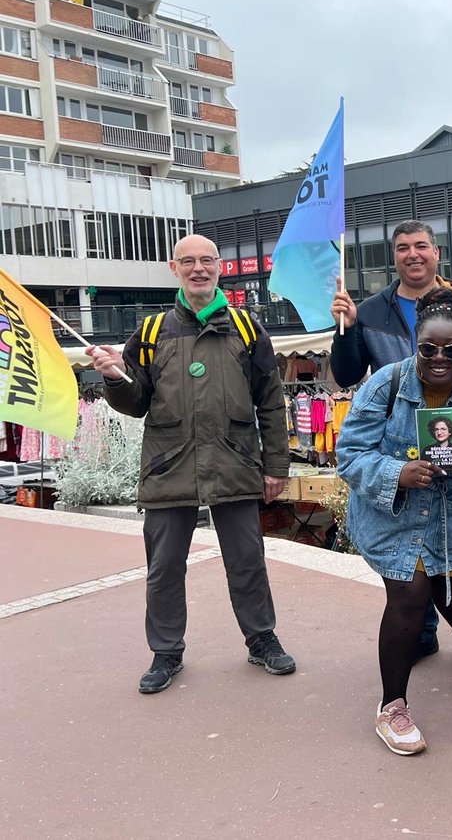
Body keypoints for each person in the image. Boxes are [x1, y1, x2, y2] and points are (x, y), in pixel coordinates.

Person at [86, 235, 295, 694]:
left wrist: (276, 466)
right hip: (168, 466)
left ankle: (261, 639)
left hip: (235, 462)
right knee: (163, 566)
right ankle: (165, 652)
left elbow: (271, 402)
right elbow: (135, 401)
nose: (198, 269)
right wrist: (112, 378)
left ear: (220, 267)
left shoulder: (246, 327)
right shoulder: (152, 330)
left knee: (247, 561)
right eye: (188, 262)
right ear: (173, 268)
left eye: (206, 261)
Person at [336, 288, 452, 755]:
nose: (439, 359)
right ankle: (392, 707)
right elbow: (349, 454)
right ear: (415, 345)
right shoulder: (386, 384)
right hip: (395, 519)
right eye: (428, 349)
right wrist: (396, 472)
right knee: (410, 597)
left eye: (451, 351)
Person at [330, 219, 452, 665]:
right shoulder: (372, 310)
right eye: (403, 248)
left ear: (437, 253)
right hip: (395, 450)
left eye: (421, 246)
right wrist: (345, 328)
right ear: (394, 256)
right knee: (407, 566)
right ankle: (419, 633)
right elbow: (345, 376)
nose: (413, 254)